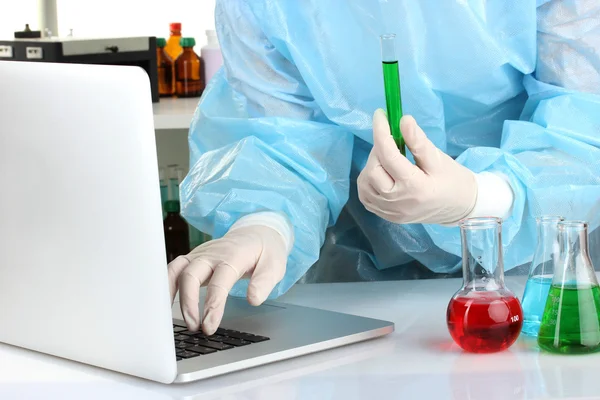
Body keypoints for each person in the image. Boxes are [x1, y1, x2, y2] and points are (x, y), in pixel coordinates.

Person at [168, 0, 600, 335]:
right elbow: (280, 132)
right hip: (355, 280)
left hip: (535, 274)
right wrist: (264, 223)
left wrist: (481, 197)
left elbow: (584, 116)